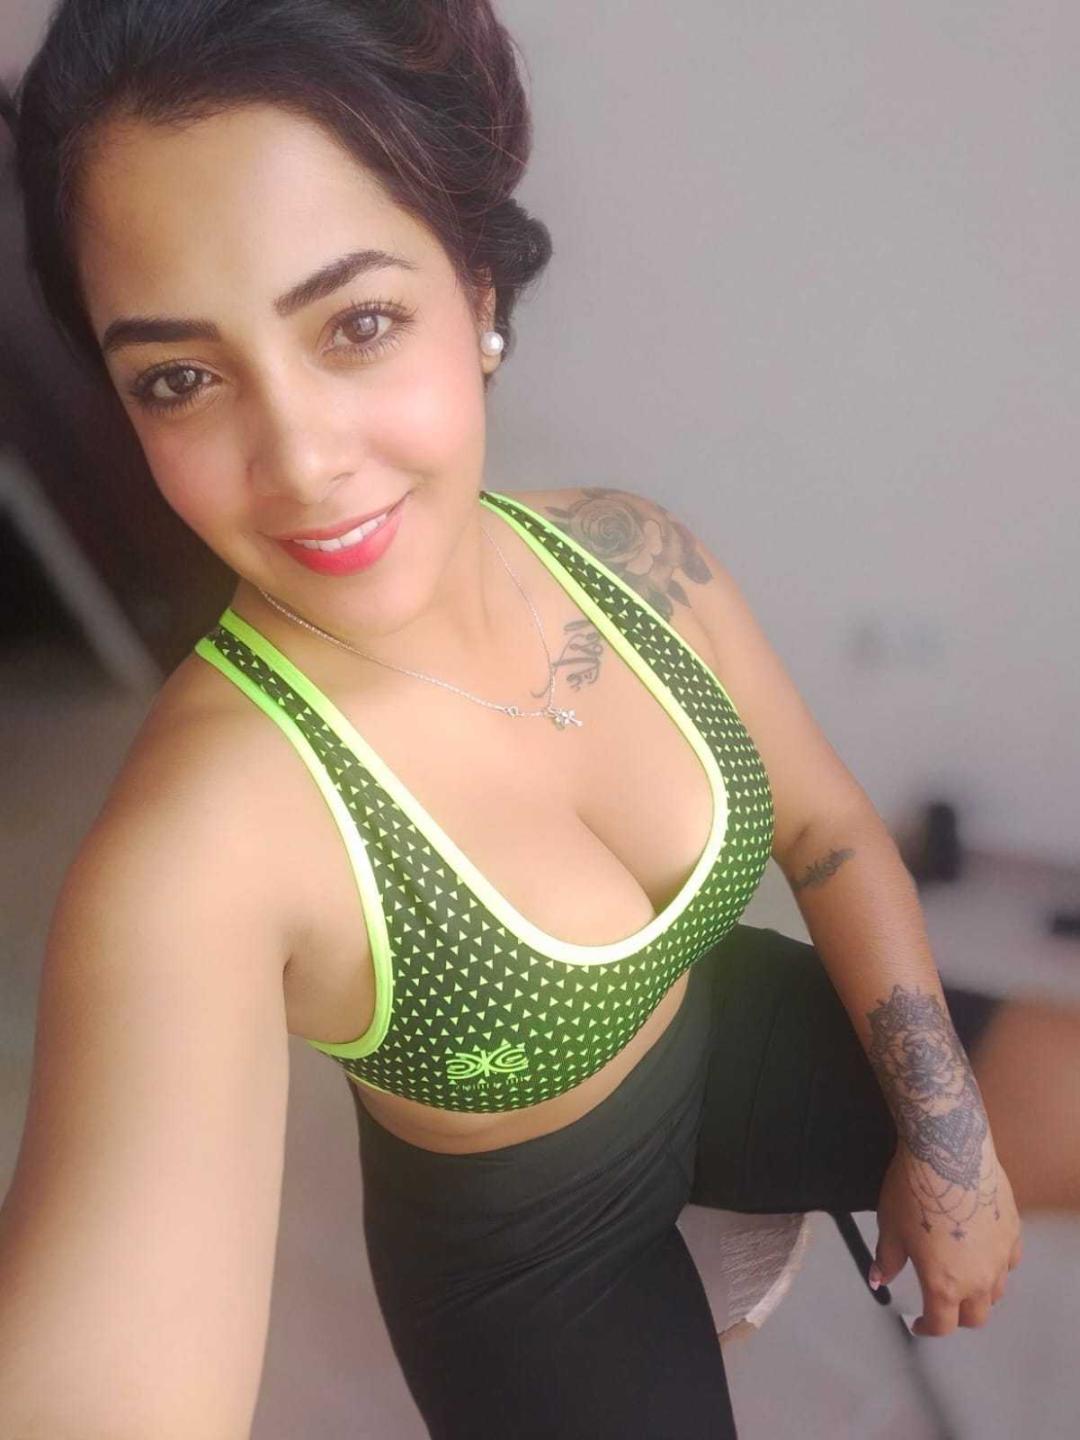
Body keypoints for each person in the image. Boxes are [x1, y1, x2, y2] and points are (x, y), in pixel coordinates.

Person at [0, 2, 1076, 1436]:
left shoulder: (628, 554)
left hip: (734, 1033)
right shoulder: (201, 840)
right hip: (531, 1264)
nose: (302, 462)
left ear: (479, 289)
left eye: (357, 323)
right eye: (180, 379)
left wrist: (950, 1147)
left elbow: (824, 828)